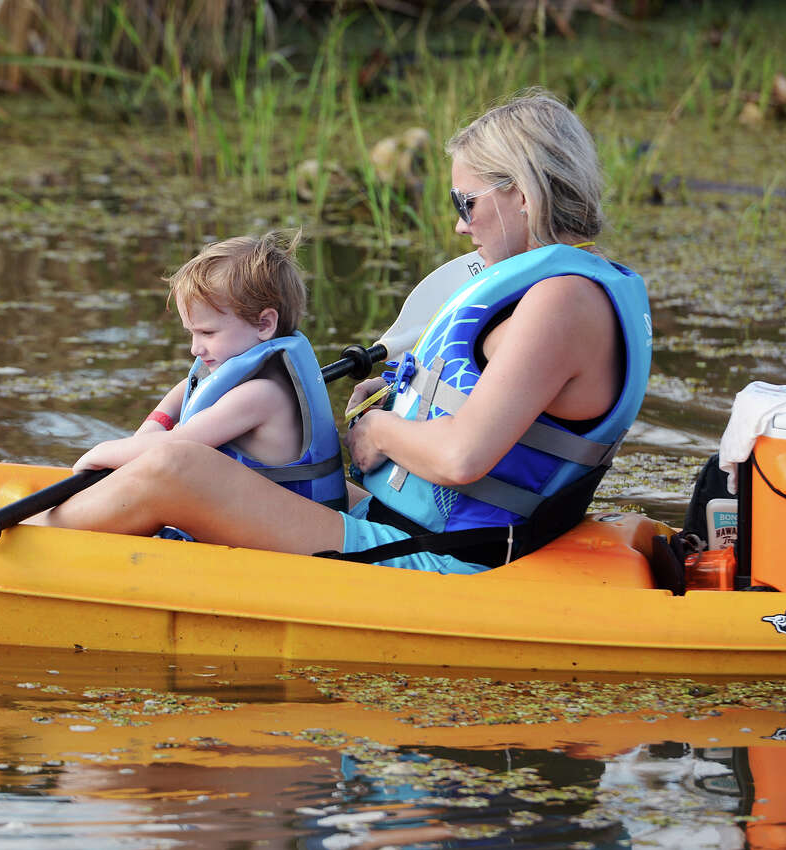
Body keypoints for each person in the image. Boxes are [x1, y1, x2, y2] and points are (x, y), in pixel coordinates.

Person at [39, 90, 652, 574]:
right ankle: (73, 525)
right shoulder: (566, 288)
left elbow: (461, 457)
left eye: (465, 202)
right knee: (246, 467)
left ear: (522, 194)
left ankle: (32, 554)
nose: (460, 226)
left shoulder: (563, 301)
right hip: (408, 523)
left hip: (447, 558)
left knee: (179, 468)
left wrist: (377, 430)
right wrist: (397, 406)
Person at [62, 231, 347, 510]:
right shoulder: (249, 372)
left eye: (207, 333)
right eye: (192, 333)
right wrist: (155, 423)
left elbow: (177, 446)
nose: (195, 349)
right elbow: (184, 390)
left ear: (264, 324)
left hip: (282, 527)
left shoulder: (261, 395)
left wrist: (102, 453)